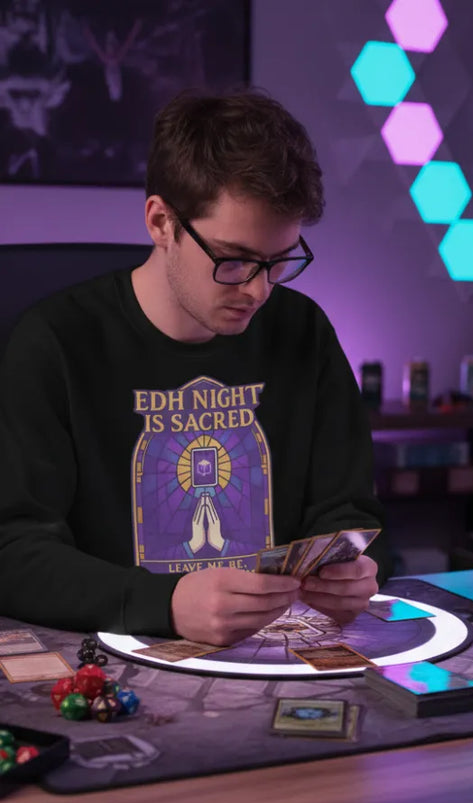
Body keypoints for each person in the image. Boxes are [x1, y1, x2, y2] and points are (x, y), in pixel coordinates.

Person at [0, 88, 392, 645]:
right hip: (118, 656)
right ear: (161, 222)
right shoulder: (55, 343)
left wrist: (353, 571)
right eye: (233, 261)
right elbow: (12, 552)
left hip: (275, 649)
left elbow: (348, 508)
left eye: (279, 261)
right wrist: (164, 604)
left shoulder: (303, 331)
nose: (257, 291)